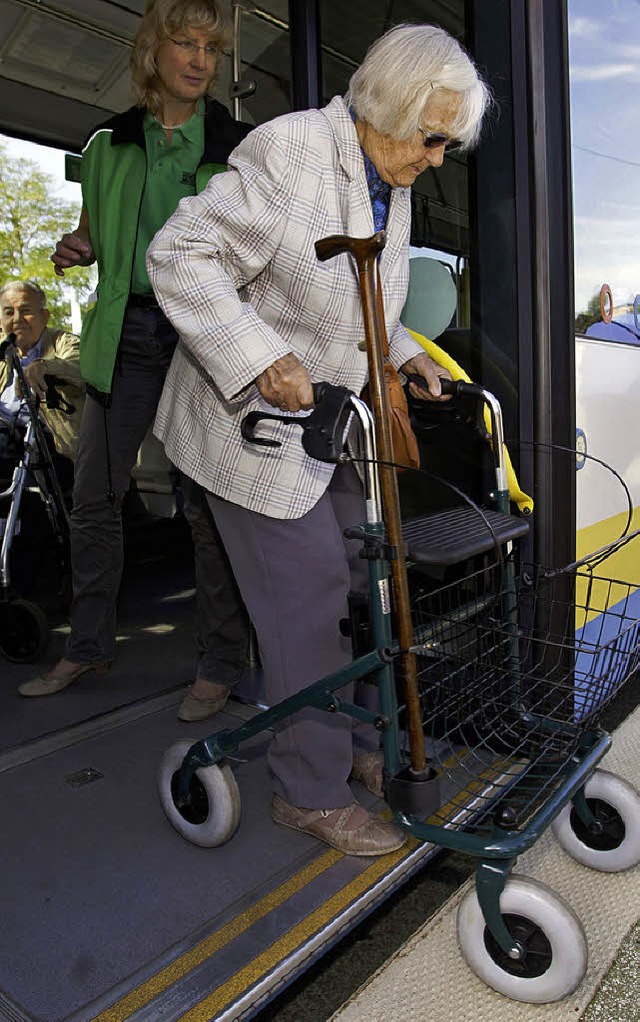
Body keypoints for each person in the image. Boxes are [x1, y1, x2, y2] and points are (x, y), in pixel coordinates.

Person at [147, 22, 491, 855]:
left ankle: (360, 748)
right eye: (433, 136)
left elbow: (355, 300)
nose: (439, 157)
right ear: (385, 106)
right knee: (301, 600)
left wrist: (403, 352)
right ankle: (306, 789)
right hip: (251, 431)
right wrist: (261, 355)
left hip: (328, 426)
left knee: (358, 583)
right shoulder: (294, 150)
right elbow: (178, 253)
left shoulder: (391, 180)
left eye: (450, 141)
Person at [18, 0, 251, 714]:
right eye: (185, 42)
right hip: (127, 337)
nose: (199, 60)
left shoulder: (236, 145)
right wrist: (79, 247)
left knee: (206, 507)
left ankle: (220, 663)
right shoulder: (107, 145)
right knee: (93, 498)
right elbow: (95, 234)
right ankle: (86, 649)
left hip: (201, 337)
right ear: (154, 51)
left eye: (211, 49)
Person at [1, 280, 83, 494]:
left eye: (25, 311)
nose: (17, 319)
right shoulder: (3, 347)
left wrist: (45, 367)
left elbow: (80, 365)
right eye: (9, 312)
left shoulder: (63, 342)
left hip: (49, 438)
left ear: (44, 316)